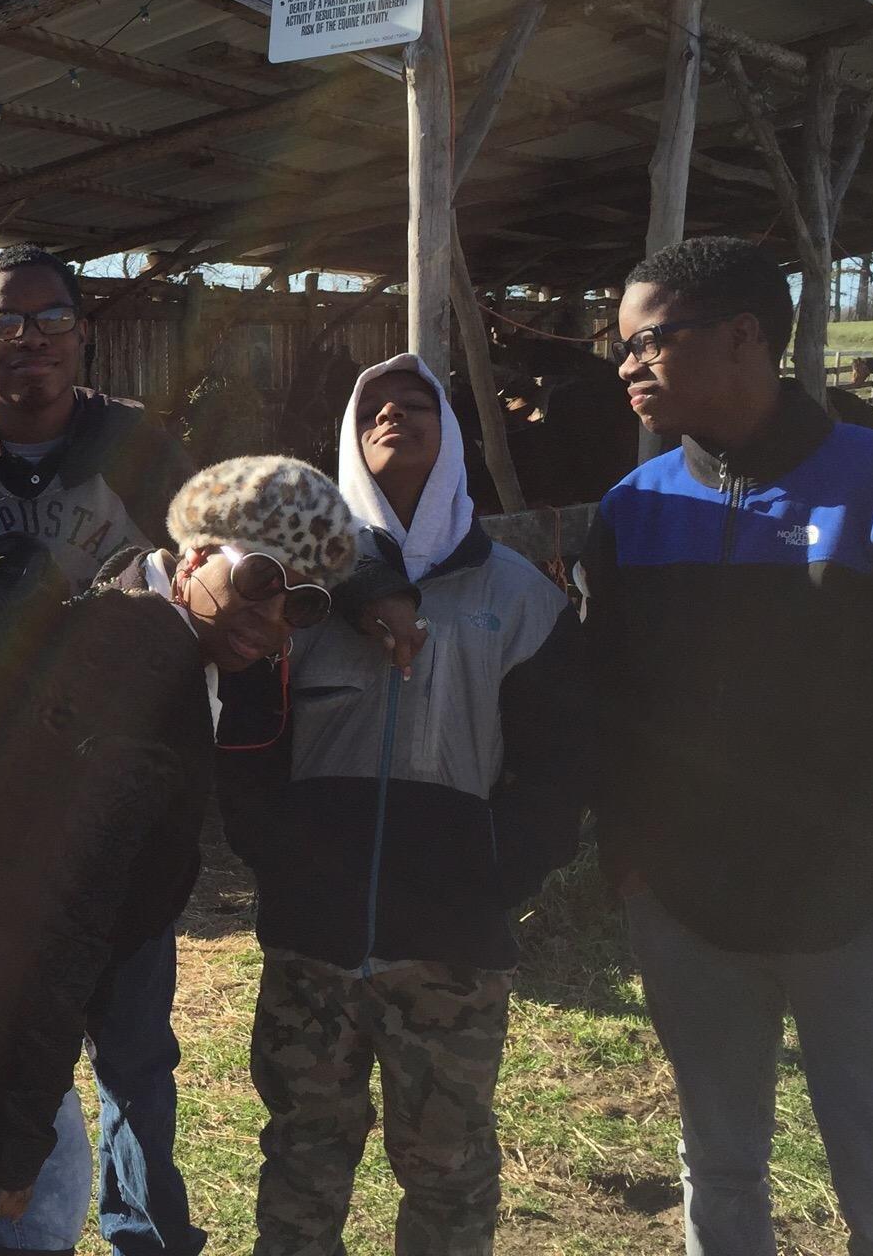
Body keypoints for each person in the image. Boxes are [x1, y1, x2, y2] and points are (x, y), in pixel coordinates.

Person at [0, 457, 354, 1255]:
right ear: (194, 556)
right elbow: (65, 919)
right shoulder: (133, 671)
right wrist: (22, 1120)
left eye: (300, 603)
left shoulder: (137, 624)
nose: (274, 616)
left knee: (18, 1217)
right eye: (262, 578)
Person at [583, 236, 873, 1256]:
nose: (627, 366)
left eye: (649, 341)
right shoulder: (632, 512)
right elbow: (609, 703)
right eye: (619, 348)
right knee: (716, 1163)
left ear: (744, 336)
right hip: (684, 909)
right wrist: (628, 860)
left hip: (859, 911)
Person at [219, 356, 591, 1256]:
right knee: (305, 1152)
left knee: (449, 1164)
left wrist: (499, 867)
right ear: (350, 438)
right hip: (314, 938)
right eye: (375, 407)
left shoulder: (522, 595)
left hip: (452, 947)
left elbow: (557, 766)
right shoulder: (292, 592)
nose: (397, 416)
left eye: (419, 405)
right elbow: (245, 735)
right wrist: (276, 851)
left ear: (453, 435)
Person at [0, 243, 202, 1256]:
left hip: (123, 815)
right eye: (6, 325)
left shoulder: (146, 455)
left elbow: (212, 570)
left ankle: (143, 1231)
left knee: (132, 1050)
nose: (30, 343)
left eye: (50, 320)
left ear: (82, 332)